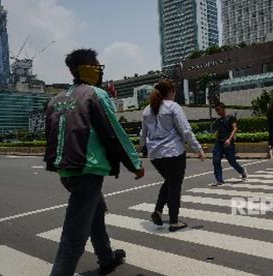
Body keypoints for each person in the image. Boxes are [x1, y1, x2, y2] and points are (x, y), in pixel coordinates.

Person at [44, 48, 144, 276]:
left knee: (96, 215)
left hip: (66, 171)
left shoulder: (55, 100)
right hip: (88, 171)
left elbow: (50, 136)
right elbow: (115, 132)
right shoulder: (95, 94)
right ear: (83, 68)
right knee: (72, 241)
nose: (99, 68)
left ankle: (107, 258)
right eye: (95, 64)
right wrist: (135, 164)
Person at [140, 79, 205, 232]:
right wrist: (198, 148)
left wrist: (142, 148)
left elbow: (143, 133)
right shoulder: (172, 106)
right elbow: (185, 130)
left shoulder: (146, 110)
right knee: (175, 185)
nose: (175, 94)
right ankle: (174, 221)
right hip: (173, 152)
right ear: (170, 92)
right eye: (174, 91)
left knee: (170, 181)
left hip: (155, 155)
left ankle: (158, 210)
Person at [211, 102, 247, 186]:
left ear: (223, 108)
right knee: (216, 160)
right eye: (216, 110)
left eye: (218, 110)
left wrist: (229, 139)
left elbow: (235, 128)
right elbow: (217, 131)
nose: (217, 112)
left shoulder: (230, 118)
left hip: (228, 143)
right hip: (219, 143)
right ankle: (219, 180)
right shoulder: (218, 121)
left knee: (232, 161)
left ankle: (242, 171)